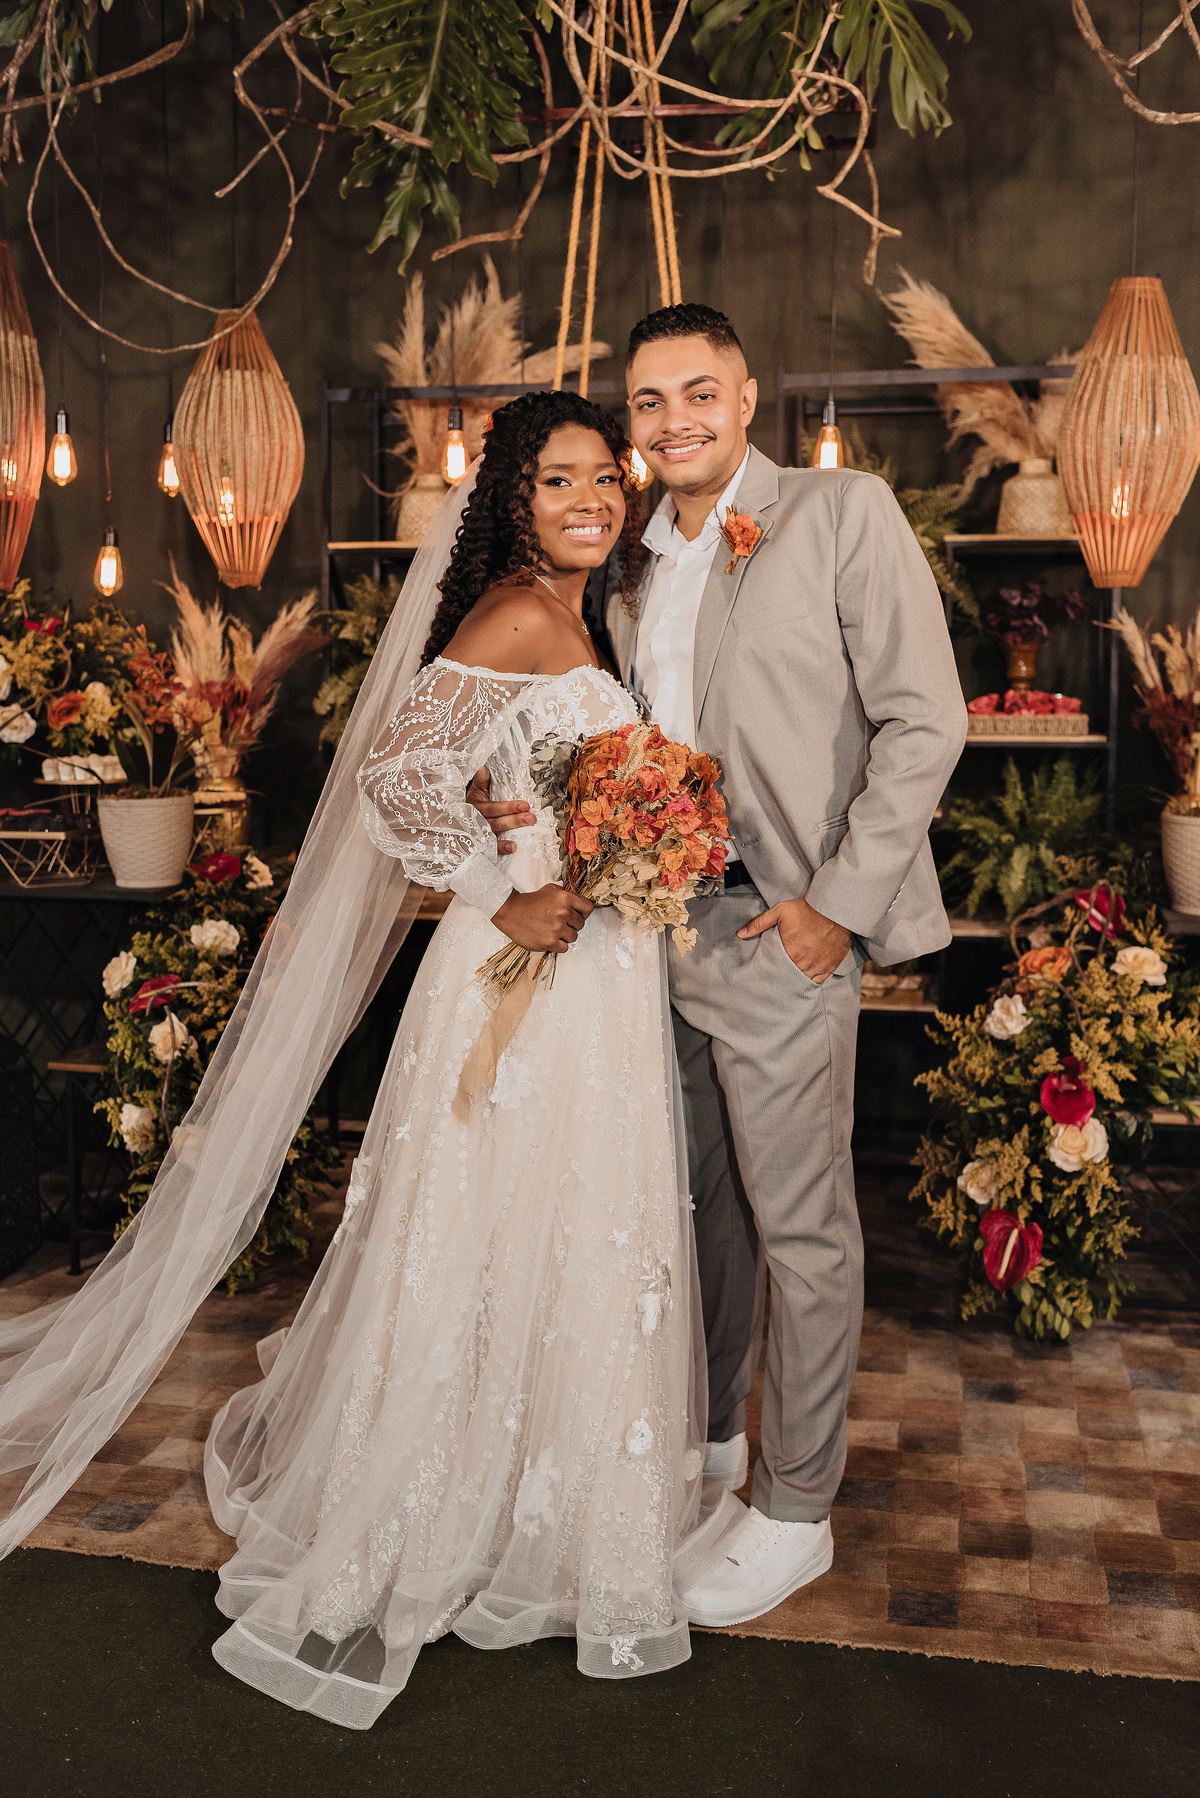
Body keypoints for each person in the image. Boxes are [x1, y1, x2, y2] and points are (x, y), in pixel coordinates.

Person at [0, 391, 744, 1730]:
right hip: (523, 970)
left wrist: (628, 850)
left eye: (604, 477)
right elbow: (395, 776)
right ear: (513, 500)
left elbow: (529, 777)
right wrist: (504, 893)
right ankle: (438, 1509)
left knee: (570, 1228)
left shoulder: (580, 614)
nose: (591, 498)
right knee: (486, 1225)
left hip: (595, 973)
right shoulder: (518, 612)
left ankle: (551, 1514)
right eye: (560, 479)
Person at [473, 305, 967, 1628]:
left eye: (700, 392)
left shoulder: (840, 514)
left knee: (800, 1226)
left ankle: (796, 1508)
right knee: (693, 1205)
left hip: (780, 927)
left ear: (748, 398)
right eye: (649, 401)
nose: (674, 420)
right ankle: (704, 1453)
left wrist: (833, 910)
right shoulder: (627, 563)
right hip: (653, 926)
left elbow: (927, 720)